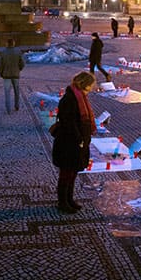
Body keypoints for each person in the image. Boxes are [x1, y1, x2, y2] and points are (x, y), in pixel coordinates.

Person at [51, 72, 97, 214]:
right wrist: (79, 140)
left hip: (78, 142)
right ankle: (62, 202)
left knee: (73, 172)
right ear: (83, 84)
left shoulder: (80, 97)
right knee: (66, 172)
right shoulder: (70, 99)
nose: (90, 89)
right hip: (68, 143)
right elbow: (69, 123)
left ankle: (69, 199)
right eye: (89, 86)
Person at [0, 38, 25, 114]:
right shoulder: (18, 51)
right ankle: (17, 106)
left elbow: (0, 65)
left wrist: (1, 73)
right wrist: (19, 69)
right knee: (16, 91)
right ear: (13, 43)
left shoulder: (3, 52)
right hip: (15, 74)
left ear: (7, 44)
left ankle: (8, 109)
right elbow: (22, 63)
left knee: (7, 92)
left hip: (6, 75)